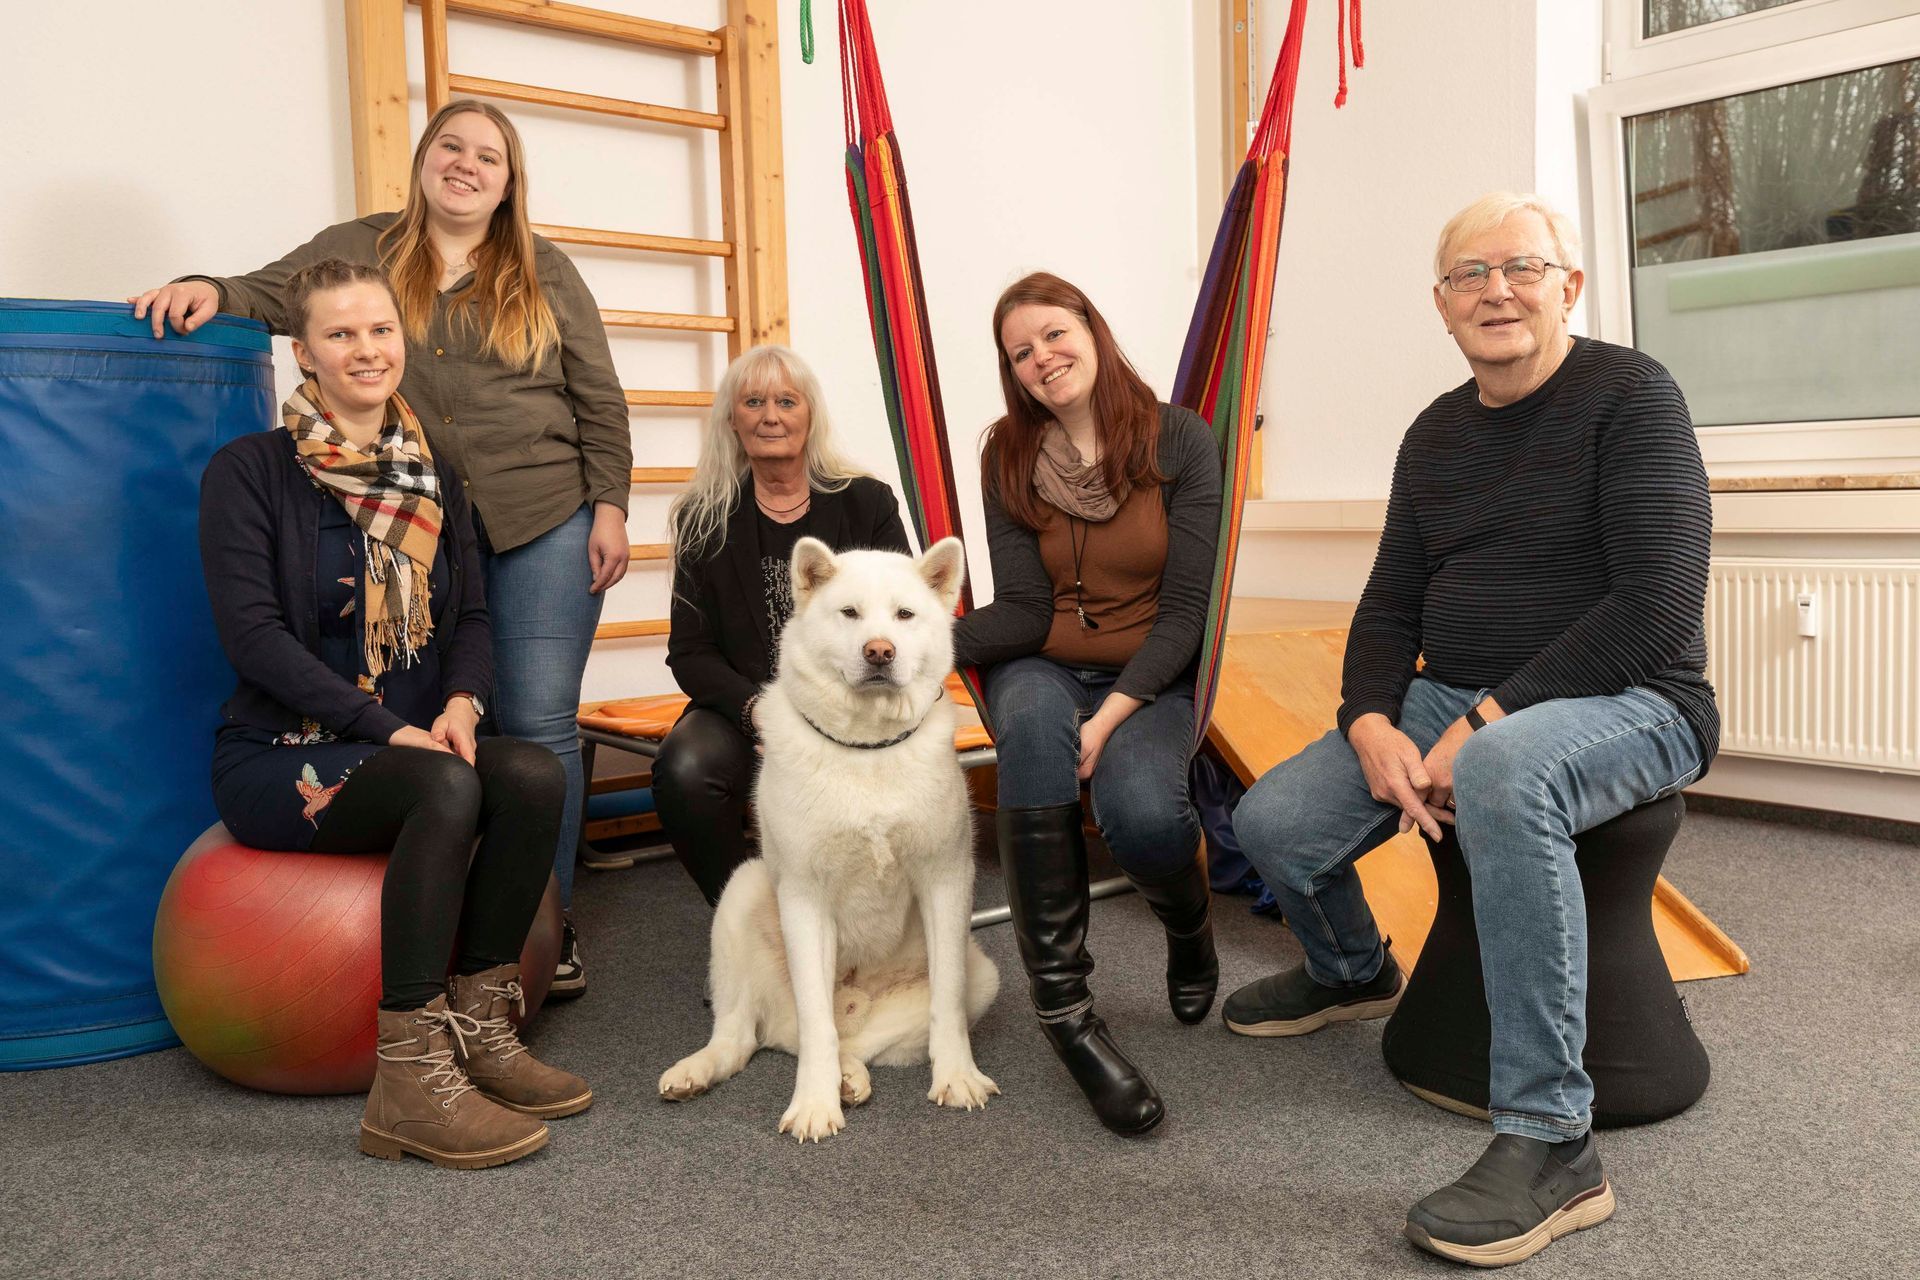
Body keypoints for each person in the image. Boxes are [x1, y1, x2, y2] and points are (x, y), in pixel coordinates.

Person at [1226, 192, 1717, 1266]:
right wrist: (1366, 718)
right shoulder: (1436, 433)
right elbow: (1389, 602)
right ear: (1443, 307)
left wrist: (1485, 720)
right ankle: (1353, 967)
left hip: (1636, 700)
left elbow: (1656, 607)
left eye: (1522, 267)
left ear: (1568, 287)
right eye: (1468, 275)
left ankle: (1553, 1143)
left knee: (1501, 768)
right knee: (1271, 821)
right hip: (1451, 695)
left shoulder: (1633, 397)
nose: (1496, 288)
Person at [135, 99, 629, 997]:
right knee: (454, 714)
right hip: (421, 508)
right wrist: (208, 288)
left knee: (539, 720)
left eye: (490, 156)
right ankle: (459, 915)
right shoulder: (363, 247)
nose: (467, 165)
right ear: (424, 158)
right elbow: (275, 293)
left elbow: (598, 395)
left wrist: (611, 505)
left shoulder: (544, 270)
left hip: (541, 511)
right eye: (452, 147)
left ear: (509, 181)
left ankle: (545, 927)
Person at [199, 259, 591, 1169]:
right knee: (447, 788)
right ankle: (409, 1081)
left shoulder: (435, 470)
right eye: (341, 335)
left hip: (419, 741)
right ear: (306, 352)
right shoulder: (251, 471)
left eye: (380, 330)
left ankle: (484, 1029)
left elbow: (477, 615)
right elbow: (253, 639)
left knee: (531, 773)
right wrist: (391, 731)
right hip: (281, 752)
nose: (366, 350)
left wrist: (460, 703)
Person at [952, 272, 1222, 1137]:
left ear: (1092, 331)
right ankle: (1067, 1016)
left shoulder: (1180, 439)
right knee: (1030, 729)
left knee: (1142, 815)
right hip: (1048, 665)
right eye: (1021, 351)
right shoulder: (1006, 455)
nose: (1042, 358)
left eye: (1054, 335)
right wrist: (910, 646)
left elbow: (1188, 613)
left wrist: (1106, 721)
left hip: (1153, 673)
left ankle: (1188, 928)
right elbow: (1026, 608)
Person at [656, 344, 912, 904]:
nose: (771, 415)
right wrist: (761, 713)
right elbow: (690, 651)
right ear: (733, 419)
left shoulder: (867, 503)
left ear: (810, 415)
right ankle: (750, 919)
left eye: (786, 401)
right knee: (686, 770)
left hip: (858, 702)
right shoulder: (703, 518)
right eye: (753, 401)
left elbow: (906, 618)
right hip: (750, 707)